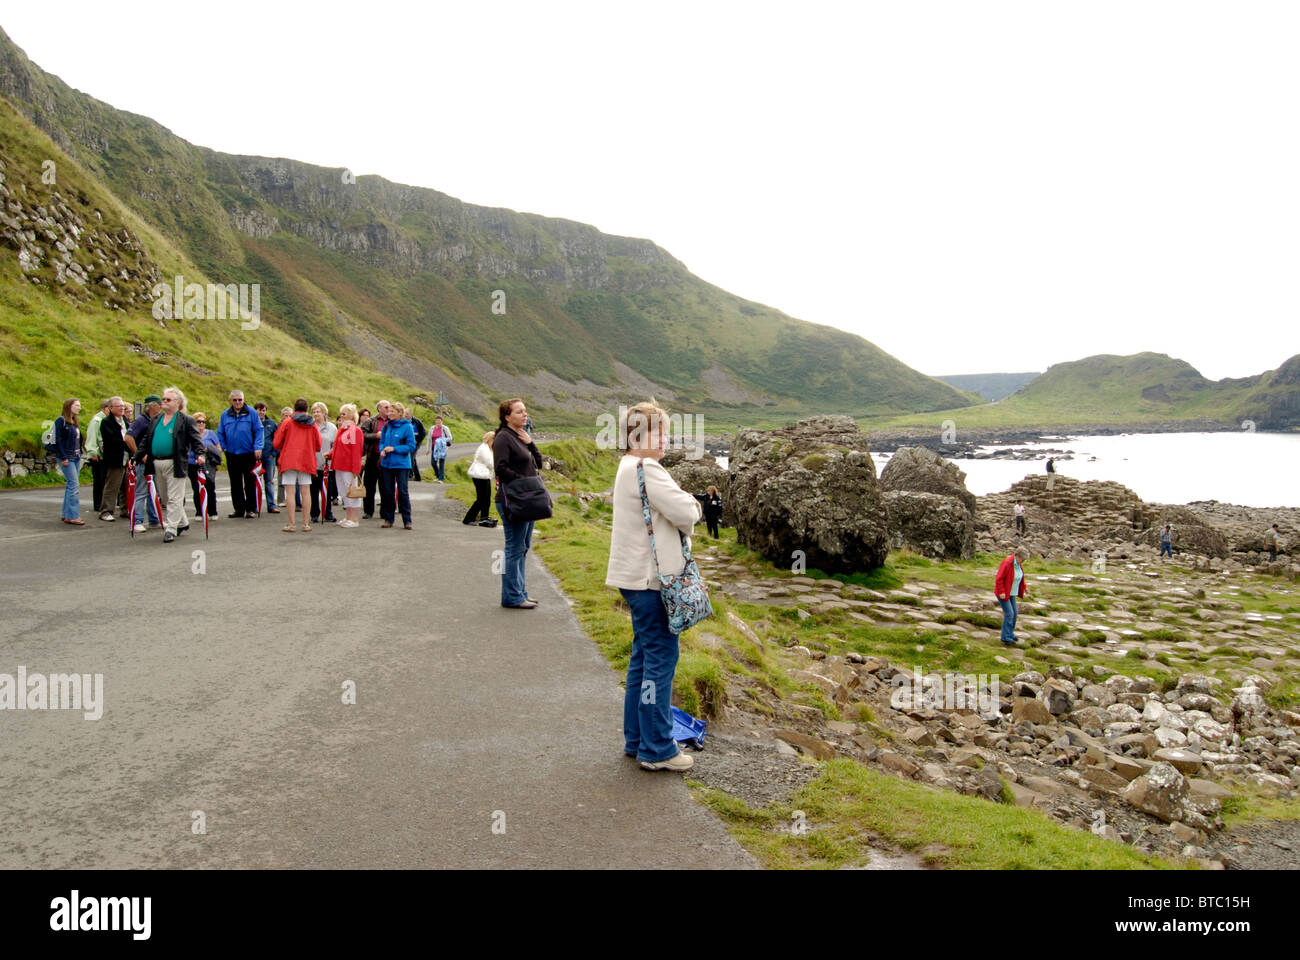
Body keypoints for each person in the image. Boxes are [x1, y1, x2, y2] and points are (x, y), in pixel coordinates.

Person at [605, 400, 703, 772]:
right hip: (651, 582)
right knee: (660, 661)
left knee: (642, 659)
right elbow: (687, 512)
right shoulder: (648, 468)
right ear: (636, 436)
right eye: (658, 431)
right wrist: (693, 503)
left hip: (631, 578)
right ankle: (658, 748)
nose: (666, 439)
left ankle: (636, 739)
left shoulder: (626, 466)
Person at [137, 386, 204, 543]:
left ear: (178, 402)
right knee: (165, 498)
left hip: (176, 462)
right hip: (157, 462)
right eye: (163, 399)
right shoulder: (156, 419)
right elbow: (146, 440)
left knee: (175, 497)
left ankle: (171, 528)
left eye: (168, 400)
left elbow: (195, 439)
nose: (164, 402)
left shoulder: (185, 420)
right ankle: (183, 522)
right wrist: (137, 456)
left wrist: (200, 454)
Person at [493, 398, 543, 608]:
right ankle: (512, 597)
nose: (525, 415)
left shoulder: (521, 436)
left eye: (525, 411)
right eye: (519, 412)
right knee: (514, 547)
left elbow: (539, 462)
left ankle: (520, 593)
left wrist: (531, 444)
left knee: (523, 547)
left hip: (527, 499)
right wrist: (524, 483)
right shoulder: (503, 438)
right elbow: (501, 469)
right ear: (507, 417)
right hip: (514, 500)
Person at [273, 399, 321, 532]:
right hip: (306, 459)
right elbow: (318, 444)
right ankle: (306, 524)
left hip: (289, 459)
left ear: (294, 408)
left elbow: (276, 443)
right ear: (307, 409)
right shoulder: (312, 424)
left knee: (290, 492)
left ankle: (291, 524)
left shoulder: (288, 422)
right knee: (306, 492)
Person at [216, 390, 264, 518]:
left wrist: (258, 447)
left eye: (240, 400)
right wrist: (224, 447)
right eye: (235, 400)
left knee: (249, 482)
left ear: (243, 400)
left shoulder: (252, 413)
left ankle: (250, 509)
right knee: (235, 483)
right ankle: (238, 509)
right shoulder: (225, 415)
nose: (238, 402)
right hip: (232, 454)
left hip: (248, 453)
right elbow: (220, 433)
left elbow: (259, 431)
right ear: (230, 400)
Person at [125, 395, 162, 532]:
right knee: (141, 491)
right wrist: (139, 455)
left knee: (154, 491)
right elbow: (128, 437)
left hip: (155, 460)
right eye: (159, 404)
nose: (161, 406)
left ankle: (154, 519)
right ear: (152, 406)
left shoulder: (157, 420)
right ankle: (137, 520)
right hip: (144, 462)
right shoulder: (141, 420)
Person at [378, 401, 416, 529]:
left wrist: (394, 449)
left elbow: (411, 446)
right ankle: (388, 519)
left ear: (400, 413)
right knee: (388, 492)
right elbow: (382, 442)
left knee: (403, 492)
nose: (389, 413)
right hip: (387, 464)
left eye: (392, 411)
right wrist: (382, 450)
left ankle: (407, 520)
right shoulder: (387, 426)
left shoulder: (407, 427)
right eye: (389, 411)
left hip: (402, 465)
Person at [97, 398, 130, 522]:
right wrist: (127, 444)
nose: (122, 408)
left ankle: (125, 509)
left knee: (126, 485)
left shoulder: (125, 421)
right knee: (112, 486)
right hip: (114, 458)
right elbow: (113, 441)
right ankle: (106, 511)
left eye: (123, 406)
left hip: (126, 458)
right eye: (118, 406)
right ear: (111, 408)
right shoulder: (107, 422)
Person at [54, 397, 85, 525]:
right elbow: (58, 440)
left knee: (71, 485)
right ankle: (72, 515)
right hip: (67, 457)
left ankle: (66, 513)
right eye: (77, 405)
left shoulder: (73, 421)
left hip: (76, 456)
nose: (80, 408)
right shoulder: (61, 421)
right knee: (74, 485)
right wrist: (63, 457)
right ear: (69, 406)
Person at [332, 404, 364, 527]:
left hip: (348, 466)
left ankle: (354, 519)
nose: (341, 416)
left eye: (344, 414)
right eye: (341, 414)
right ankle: (348, 517)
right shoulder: (342, 429)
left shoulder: (355, 430)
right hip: (339, 465)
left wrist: (356, 468)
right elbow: (338, 447)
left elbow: (356, 451)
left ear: (351, 415)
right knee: (344, 491)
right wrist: (330, 454)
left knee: (352, 492)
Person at [188, 412, 221, 521]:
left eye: (203, 422)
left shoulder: (211, 433)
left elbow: (218, 448)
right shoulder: (190, 434)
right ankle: (199, 512)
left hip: (208, 465)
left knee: (210, 487)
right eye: (198, 421)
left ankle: (213, 511)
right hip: (193, 464)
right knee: (196, 488)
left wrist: (209, 450)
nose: (201, 424)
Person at [308, 402, 338, 525]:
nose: (316, 414)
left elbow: (335, 445)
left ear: (324, 412)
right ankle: (314, 514)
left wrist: (331, 455)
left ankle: (328, 513)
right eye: (314, 412)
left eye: (318, 411)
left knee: (328, 491)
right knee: (313, 491)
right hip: (313, 464)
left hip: (327, 465)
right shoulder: (310, 427)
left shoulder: (332, 428)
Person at [361, 400, 390, 519]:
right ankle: (368, 511)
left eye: (389, 407)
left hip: (387, 457)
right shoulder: (371, 421)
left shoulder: (392, 421)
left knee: (385, 486)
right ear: (379, 408)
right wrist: (375, 436)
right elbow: (362, 435)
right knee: (369, 485)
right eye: (386, 407)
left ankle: (384, 512)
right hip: (372, 456)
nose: (388, 409)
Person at [994, 546, 1030, 646]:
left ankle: (1010, 633)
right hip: (1004, 593)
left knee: (1015, 613)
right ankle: (1006, 637)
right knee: (1009, 613)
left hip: (1011, 592)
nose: (1023, 562)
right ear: (1017, 556)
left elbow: (1020, 577)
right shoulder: (1007, 563)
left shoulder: (1018, 564)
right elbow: (999, 578)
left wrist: (1025, 587)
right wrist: (1001, 592)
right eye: (1023, 560)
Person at [83, 398, 111, 513]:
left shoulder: (105, 419)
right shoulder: (97, 420)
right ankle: (98, 504)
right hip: (98, 455)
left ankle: (102, 503)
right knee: (99, 480)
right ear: (105, 408)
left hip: (103, 454)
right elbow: (92, 436)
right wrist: (92, 452)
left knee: (104, 480)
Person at [463, 431, 495, 525]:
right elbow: (490, 463)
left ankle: (484, 518)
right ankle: (468, 519)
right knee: (481, 499)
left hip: (485, 475)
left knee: (487, 498)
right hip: (480, 476)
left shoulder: (488, 448)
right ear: (490, 439)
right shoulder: (484, 448)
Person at [254, 401, 280, 514]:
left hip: (268, 457)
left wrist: (274, 453)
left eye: (263, 410)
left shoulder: (271, 423)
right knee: (254, 482)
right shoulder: (252, 423)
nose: (261, 412)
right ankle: (254, 505)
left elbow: (278, 438)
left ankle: (271, 505)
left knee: (269, 481)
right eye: (259, 410)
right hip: (255, 457)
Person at [429, 416, 452, 482]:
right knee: (433, 463)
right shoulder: (432, 428)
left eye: (439, 421)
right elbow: (429, 439)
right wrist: (428, 449)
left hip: (442, 448)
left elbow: (450, 437)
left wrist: (441, 440)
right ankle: (438, 475)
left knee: (441, 463)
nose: (438, 422)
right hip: (434, 448)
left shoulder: (445, 428)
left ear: (442, 421)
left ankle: (441, 478)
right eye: (437, 421)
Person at [409, 412, 426, 482]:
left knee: (411, 456)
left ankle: (410, 474)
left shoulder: (417, 421)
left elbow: (423, 433)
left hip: (416, 442)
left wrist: (417, 440)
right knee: (413, 458)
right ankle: (418, 477)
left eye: (407, 414)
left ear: (411, 414)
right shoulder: (404, 421)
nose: (406, 416)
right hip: (409, 442)